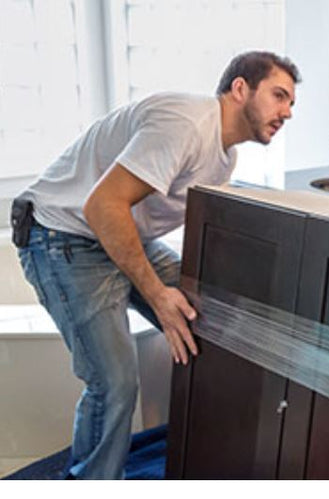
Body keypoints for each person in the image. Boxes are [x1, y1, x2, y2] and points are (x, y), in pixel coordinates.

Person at [10, 51, 300, 479]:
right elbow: (102, 206)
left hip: (113, 235)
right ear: (241, 89)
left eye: (291, 103)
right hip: (62, 236)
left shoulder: (225, 157)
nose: (287, 112)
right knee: (115, 383)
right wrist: (157, 296)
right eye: (280, 96)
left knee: (207, 316)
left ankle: (206, 450)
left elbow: (188, 231)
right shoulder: (185, 124)